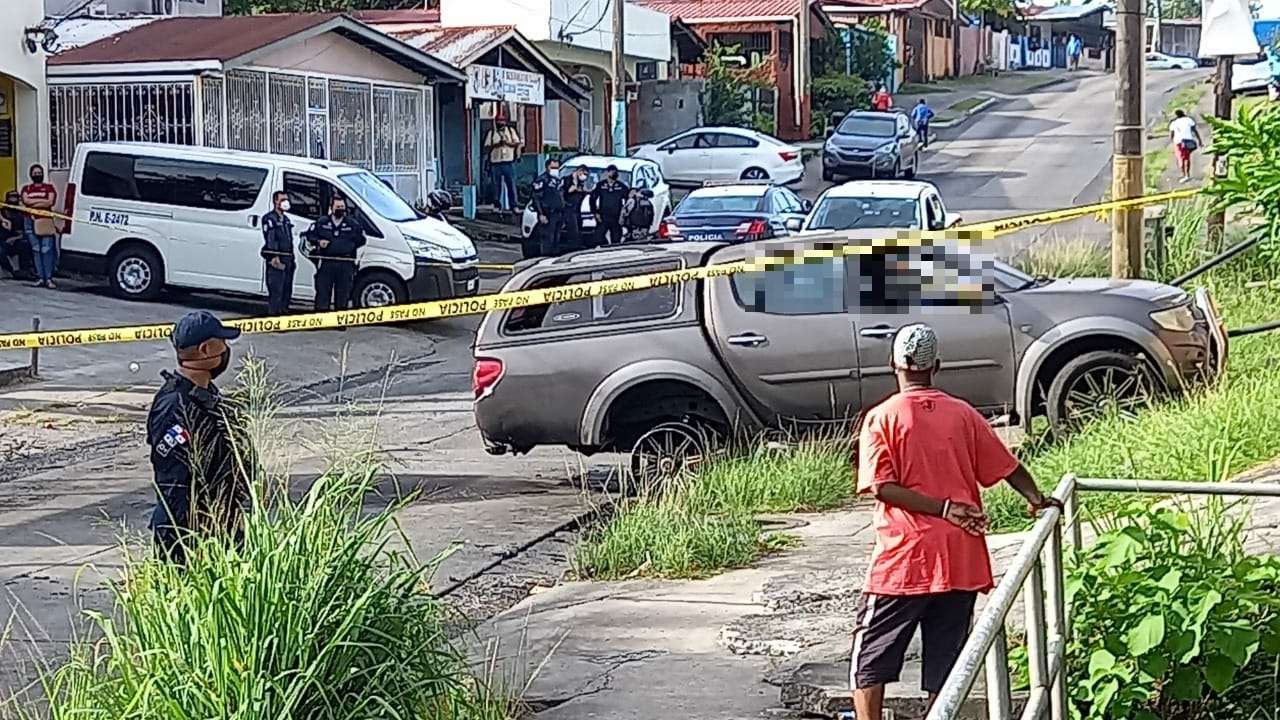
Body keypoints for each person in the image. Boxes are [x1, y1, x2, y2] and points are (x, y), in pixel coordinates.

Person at [851, 324, 1062, 720]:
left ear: (894, 364)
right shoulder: (962, 413)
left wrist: (941, 508)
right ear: (937, 366)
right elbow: (1008, 465)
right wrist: (1037, 498)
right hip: (960, 558)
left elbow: (881, 487)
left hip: (905, 560)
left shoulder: (881, 418)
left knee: (871, 657)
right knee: (946, 664)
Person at [148, 310, 253, 566]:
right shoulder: (175, 406)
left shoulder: (206, 394)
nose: (226, 349)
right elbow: (176, 479)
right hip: (189, 534)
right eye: (222, 343)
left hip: (222, 524)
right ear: (206, 349)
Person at [305, 196, 366, 315]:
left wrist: (348, 247)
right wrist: (319, 242)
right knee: (323, 292)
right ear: (331, 208)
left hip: (345, 263)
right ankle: (320, 320)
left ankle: (339, 321)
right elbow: (310, 236)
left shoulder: (352, 224)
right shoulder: (322, 222)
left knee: (343, 293)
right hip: (327, 262)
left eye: (342, 207)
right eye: (338, 207)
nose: (340, 209)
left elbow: (361, 240)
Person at [20, 164, 58, 289]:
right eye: (35, 173)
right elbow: (26, 201)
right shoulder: (26, 188)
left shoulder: (49, 187)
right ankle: (40, 278)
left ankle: (49, 279)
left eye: (39, 172)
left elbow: (50, 201)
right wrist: (41, 203)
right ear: (31, 175)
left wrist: (33, 204)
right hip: (29, 221)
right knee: (36, 250)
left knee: (46, 250)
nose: (37, 175)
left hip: (44, 221)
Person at [260, 191, 295, 316]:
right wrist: (274, 256)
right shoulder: (269, 219)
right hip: (277, 260)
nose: (285, 202)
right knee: (276, 292)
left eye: (287, 199)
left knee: (286, 291)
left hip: (288, 259)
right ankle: (274, 318)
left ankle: (283, 316)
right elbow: (270, 238)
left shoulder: (286, 220)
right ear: (275, 201)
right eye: (282, 199)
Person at [485, 119, 522, 218]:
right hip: (496, 162)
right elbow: (487, 146)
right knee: (496, 186)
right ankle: (497, 205)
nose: (500, 125)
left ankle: (514, 205)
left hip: (508, 161)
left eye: (502, 123)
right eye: (499, 123)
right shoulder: (492, 133)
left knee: (511, 184)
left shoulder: (510, 131)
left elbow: (517, 143)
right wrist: (497, 144)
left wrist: (507, 143)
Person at [530, 158, 565, 258]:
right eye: (553, 167)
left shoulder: (558, 180)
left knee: (556, 239)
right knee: (547, 240)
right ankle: (545, 259)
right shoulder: (542, 180)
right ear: (547, 167)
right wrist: (541, 214)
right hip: (547, 213)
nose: (555, 169)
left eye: (557, 167)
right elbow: (536, 197)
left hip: (558, 213)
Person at [590, 165, 630, 246]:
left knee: (616, 239)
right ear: (607, 173)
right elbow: (592, 199)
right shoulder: (600, 185)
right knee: (598, 237)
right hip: (603, 216)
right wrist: (595, 212)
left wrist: (624, 214)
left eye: (615, 172)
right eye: (612, 172)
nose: (614, 174)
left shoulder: (621, 186)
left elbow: (628, 199)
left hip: (616, 216)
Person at [1, 191, 35, 280]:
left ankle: (25, 271)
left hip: (18, 239)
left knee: (25, 244)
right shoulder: (2, 212)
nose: (14, 200)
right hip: (4, 240)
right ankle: (10, 271)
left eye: (16, 198)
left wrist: (15, 238)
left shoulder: (22, 214)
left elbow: (27, 231)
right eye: (11, 198)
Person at [562, 166, 591, 252]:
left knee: (578, 230)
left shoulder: (580, 182)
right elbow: (567, 191)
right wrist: (574, 185)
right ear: (579, 171)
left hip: (578, 210)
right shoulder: (567, 180)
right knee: (573, 231)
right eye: (584, 174)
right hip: (569, 209)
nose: (585, 177)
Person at [1169, 109, 1202, 183]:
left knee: (1181, 159)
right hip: (1188, 141)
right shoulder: (1189, 120)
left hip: (1178, 142)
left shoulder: (1173, 123)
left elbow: (1171, 135)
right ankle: (1187, 174)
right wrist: (1199, 140)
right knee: (1187, 158)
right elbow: (1194, 130)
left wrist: (1172, 142)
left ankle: (1184, 175)